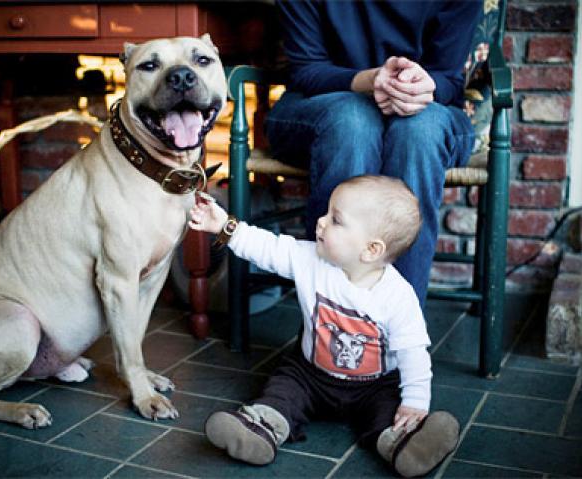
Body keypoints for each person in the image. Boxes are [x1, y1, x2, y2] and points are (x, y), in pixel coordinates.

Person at [189, 175, 459, 477]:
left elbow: (413, 353)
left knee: (388, 409)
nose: (320, 221)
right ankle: (262, 426)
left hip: (373, 385)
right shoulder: (310, 258)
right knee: (283, 388)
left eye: (336, 220)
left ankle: (402, 442)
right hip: (311, 375)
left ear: (371, 249)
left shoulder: (397, 296)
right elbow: (268, 248)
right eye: (327, 213)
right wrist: (226, 226)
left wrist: (415, 404)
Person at [264, 0, 482, 306]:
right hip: (321, 105)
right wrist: (370, 80)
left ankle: (398, 329)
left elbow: (448, 76)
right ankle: (329, 324)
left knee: (418, 130)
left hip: (426, 110)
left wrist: (421, 87)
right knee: (353, 122)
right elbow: (307, 70)